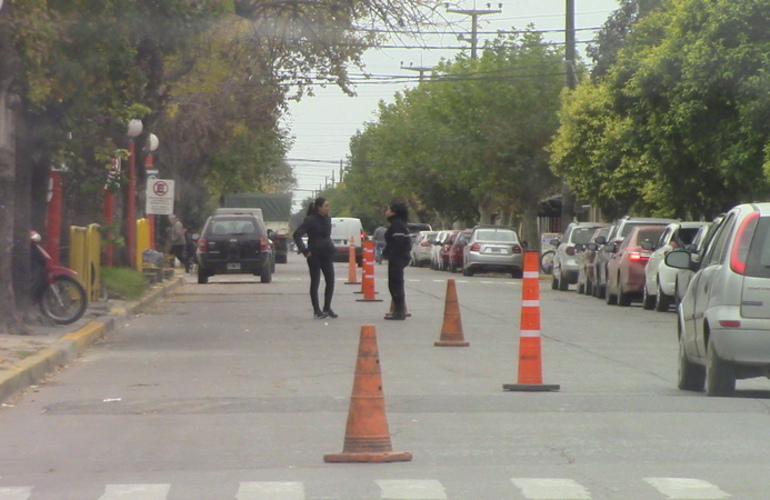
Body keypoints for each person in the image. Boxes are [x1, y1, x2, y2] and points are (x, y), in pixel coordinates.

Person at [293, 197, 337, 319]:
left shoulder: (328, 219)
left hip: (327, 253)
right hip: (314, 254)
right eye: (326, 206)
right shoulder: (310, 220)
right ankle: (317, 310)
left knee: (330, 280)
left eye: (328, 206)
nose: (328, 208)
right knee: (315, 281)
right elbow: (297, 234)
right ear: (319, 208)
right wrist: (305, 250)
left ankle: (327, 307)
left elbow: (326, 236)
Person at [383, 203, 411, 320]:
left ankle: (399, 312)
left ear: (394, 212)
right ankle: (398, 309)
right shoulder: (399, 224)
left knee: (395, 284)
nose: (386, 212)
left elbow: (398, 242)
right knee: (396, 283)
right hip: (399, 257)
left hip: (398, 257)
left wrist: (390, 253)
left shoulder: (397, 225)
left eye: (388, 209)